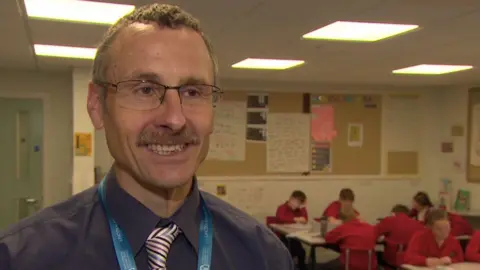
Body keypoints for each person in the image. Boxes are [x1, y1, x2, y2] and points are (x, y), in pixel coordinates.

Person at [0, 4, 294, 270]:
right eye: (145, 90)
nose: (175, 119)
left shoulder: (264, 256)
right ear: (96, 106)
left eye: (192, 92)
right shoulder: (22, 258)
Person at [319, 204, 377, 270]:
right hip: (370, 265)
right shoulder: (370, 228)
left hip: (348, 265)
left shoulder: (343, 228)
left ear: (341, 219)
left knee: (322, 268)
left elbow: (328, 238)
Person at [275, 190, 308, 270]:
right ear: (291, 199)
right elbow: (281, 218)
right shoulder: (282, 208)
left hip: (294, 236)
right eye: (297, 202)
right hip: (282, 237)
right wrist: (296, 219)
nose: (298, 205)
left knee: (302, 253)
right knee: (289, 252)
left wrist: (303, 209)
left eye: (300, 203)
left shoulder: (299, 210)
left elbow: (305, 219)